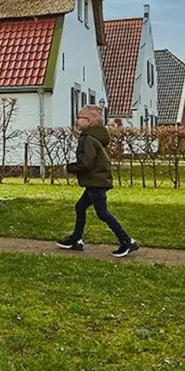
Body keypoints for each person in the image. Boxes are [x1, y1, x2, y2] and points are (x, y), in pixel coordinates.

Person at [56, 105, 139, 258]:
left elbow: (85, 164)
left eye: (79, 117)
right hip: (97, 180)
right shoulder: (98, 137)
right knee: (80, 207)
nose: (76, 120)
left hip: (96, 182)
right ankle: (76, 239)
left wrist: (69, 168)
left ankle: (127, 241)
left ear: (88, 121)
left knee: (102, 213)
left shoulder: (88, 139)